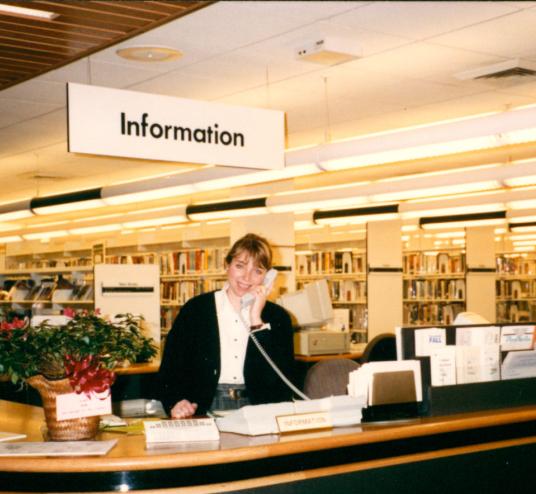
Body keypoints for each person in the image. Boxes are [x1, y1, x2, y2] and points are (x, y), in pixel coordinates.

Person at [157, 233, 296, 418]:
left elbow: (279, 381)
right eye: (240, 266)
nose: (247, 277)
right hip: (203, 406)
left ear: (267, 277)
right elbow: (170, 368)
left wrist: (256, 319)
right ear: (226, 265)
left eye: (258, 271)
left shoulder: (278, 317)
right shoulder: (196, 310)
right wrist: (176, 401)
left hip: (257, 409)